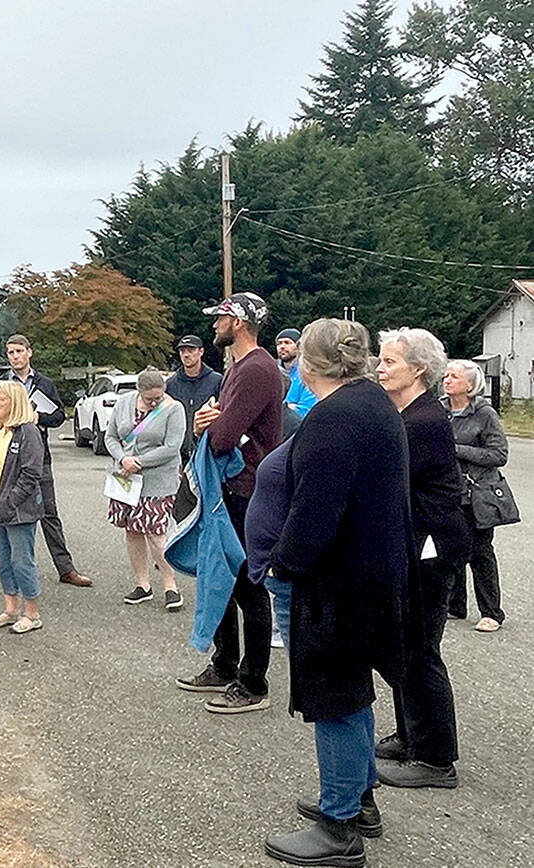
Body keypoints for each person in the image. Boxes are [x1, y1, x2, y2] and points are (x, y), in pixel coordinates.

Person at [261, 318, 410, 867]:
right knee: (353, 692)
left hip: (337, 585)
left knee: (335, 699)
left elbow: (315, 514)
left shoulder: (333, 419)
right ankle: (356, 796)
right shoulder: (373, 403)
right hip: (371, 576)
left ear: (307, 363)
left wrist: (283, 564)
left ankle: (340, 825)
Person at [176, 292, 283, 715]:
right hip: (231, 487)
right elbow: (219, 426)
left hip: (245, 490)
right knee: (219, 575)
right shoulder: (240, 367)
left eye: (220, 317)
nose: (214, 324)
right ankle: (224, 664)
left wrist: (207, 423)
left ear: (238, 321)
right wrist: (209, 422)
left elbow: (221, 436)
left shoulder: (257, 368)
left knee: (248, 587)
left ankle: (253, 682)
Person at [374, 328, 470, 790]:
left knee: (420, 651)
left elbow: (387, 478)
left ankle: (435, 759)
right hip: (411, 547)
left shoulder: (424, 421)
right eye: (380, 358)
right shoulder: (406, 414)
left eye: (389, 361)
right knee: (403, 646)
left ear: (417, 370)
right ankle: (411, 734)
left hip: (431, 550)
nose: (379, 366)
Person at [0, 334, 92, 588]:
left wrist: (38, 418)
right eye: (11, 352)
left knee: (49, 513)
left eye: (19, 351)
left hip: (38, 457)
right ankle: (13, 572)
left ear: (29, 352)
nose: (15, 356)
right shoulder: (0, 383)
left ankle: (66, 568)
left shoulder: (44, 384)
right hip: (8, 459)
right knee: (8, 511)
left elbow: (60, 415)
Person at [105, 368, 188, 610]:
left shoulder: (174, 409)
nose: (154, 402)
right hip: (126, 479)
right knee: (132, 531)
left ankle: (170, 586)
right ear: (139, 391)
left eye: (158, 397)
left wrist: (138, 462)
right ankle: (143, 585)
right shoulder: (123, 404)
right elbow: (110, 436)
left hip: (158, 480)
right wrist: (122, 459)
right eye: (149, 398)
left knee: (156, 533)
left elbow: (172, 447)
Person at [443, 359, 510, 632]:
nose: (447, 380)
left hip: (478, 492)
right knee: (452, 548)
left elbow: (499, 454)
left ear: (470, 385)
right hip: (449, 491)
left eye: (454, 377)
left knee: (480, 552)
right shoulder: (440, 409)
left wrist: (457, 449)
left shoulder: (484, 413)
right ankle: (455, 605)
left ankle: (492, 611)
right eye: (446, 376)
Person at [0, 380, 46, 634]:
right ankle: (10, 609)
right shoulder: (0, 430)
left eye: (0, 399)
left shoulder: (28, 432)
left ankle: (32, 613)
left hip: (18, 510)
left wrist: (12, 500)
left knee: (21, 560)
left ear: (15, 403)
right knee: (2, 560)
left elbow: (31, 473)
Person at [164, 334, 222, 462]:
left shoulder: (217, 381)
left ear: (201, 352)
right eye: (182, 351)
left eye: (191, 350)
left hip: (208, 452)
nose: (186, 355)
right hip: (178, 455)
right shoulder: (171, 384)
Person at [276, 327, 318, 418]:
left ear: (299, 347)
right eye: (279, 343)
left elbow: (307, 409)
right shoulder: (274, 372)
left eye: (287, 343)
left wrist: (284, 408)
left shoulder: (308, 373)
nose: (282, 346)